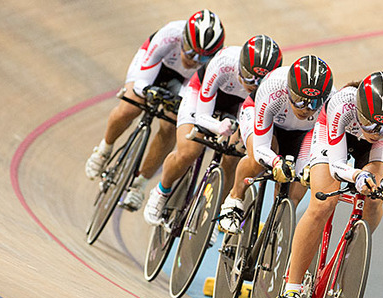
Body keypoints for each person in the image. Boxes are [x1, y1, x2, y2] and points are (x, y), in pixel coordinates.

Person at [276, 71, 383, 298]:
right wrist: (357, 177)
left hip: (375, 149)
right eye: (372, 123)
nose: (378, 130)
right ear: (360, 109)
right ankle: (291, 289)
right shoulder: (343, 103)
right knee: (324, 202)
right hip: (334, 138)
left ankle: (352, 250)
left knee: (375, 198)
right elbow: (337, 165)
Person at [84, 10, 225, 211]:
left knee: (171, 126)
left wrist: (179, 103)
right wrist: (146, 89)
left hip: (185, 83)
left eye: (202, 59)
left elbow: (194, 96)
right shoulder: (170, 34)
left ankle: (139, 184)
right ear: (182, 39)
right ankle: (104, 150)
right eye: (191, 52)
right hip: (156, 67)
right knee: (130, 106)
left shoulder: (213, 63)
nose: (194, 60)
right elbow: (142, 78)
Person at [143, 34, 284, 226]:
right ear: (240, 65)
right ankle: (161, 191)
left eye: (259, 81)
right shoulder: (224, 62)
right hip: (204, 96)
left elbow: (256, 123)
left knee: (234, 156)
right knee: (189, 151)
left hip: (241, 107)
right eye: (248, 76)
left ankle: (209, 220)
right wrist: (217, 126)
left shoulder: (273, 86)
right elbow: (202, 115)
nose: (252, 84)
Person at [217, 55, 335, 234]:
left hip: (305, 133)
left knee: (296, 187)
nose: (306, 108)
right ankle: (235, 198)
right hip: (268, 122)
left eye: (314, 102)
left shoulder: (332, 100)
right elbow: (260, 148)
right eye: (300, 99)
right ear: (289, 90)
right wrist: (275, 162)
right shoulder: (274, 87)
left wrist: (307, 168)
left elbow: (326, 144)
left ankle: (274, 228)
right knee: (258, 160)